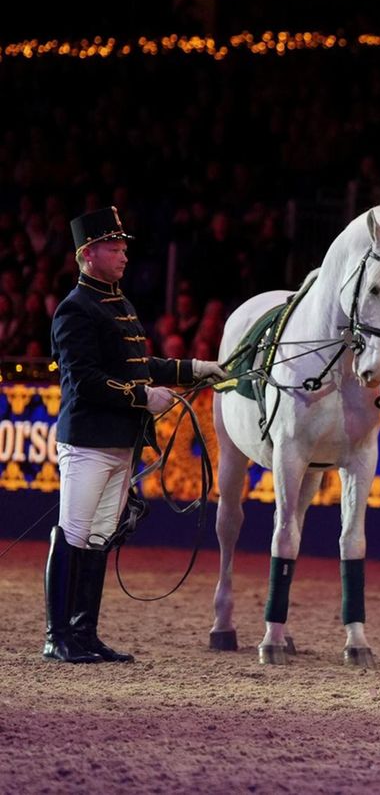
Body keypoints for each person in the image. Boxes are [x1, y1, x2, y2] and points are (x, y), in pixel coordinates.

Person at [46, 207, 225, 663]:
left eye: (124, 246)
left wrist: (194, 369)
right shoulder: (75, 309)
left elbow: (142, 366)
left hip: (119, 441)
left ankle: (84, 633)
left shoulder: (118, 303)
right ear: (88, 255)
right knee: (73, 532)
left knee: (99, 536)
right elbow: (84, 379)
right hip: (87, 440)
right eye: (114, 247)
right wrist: (142, 398)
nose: (124, 254)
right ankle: (57, 636)